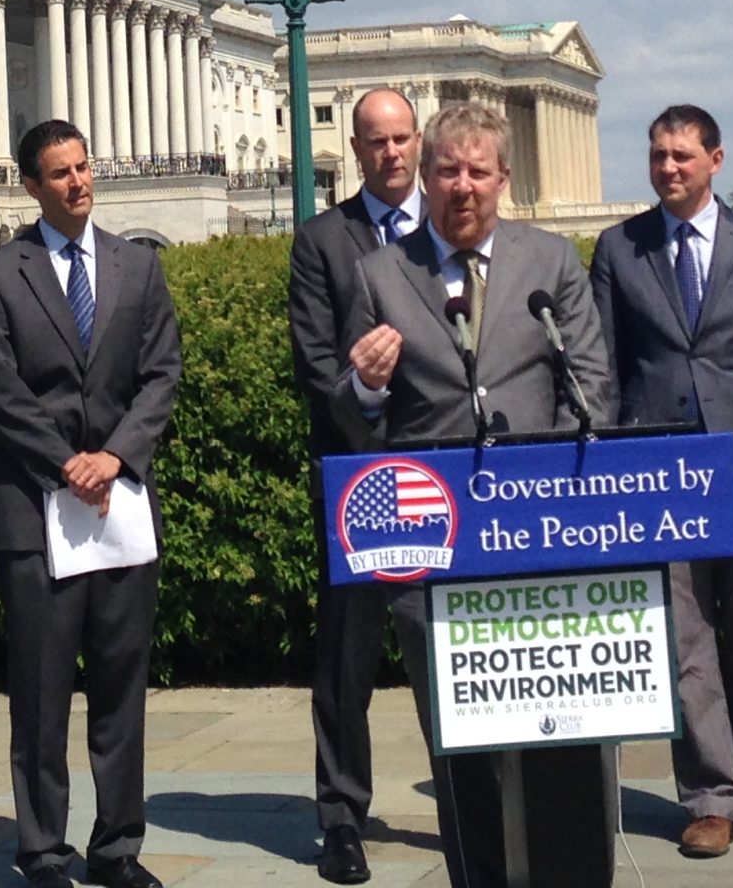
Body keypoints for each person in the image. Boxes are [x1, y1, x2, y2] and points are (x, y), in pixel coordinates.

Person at [335, 102, 616, 888]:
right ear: (425, 178)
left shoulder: (552, 262)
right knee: (460, 746)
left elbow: (588, 385)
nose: (464, 186)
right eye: (448, 171)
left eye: (478, 172)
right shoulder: (382, 273)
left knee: (552, 739)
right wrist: (364, 382)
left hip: (543, 545)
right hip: (436, 553)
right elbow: (356, 413)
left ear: (504, 179)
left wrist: (554, 496)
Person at [590, 105, 733, 860]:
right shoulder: (619, 249)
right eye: (658, 156)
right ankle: (711, 799)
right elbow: (607, 368)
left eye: (682, 156)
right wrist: (621, 461)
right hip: (660, 476)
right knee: (686, 642)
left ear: (716, 159)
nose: (668, 168)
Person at [0, 119, 184, 888]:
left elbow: (161, 375)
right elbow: (1, 393)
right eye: (59, 173)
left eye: (84, 167)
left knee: (122, 689)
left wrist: (115, 456)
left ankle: (118, 847)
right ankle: (43, 850)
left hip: (120, 506)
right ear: (31, 186)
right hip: (38, 510)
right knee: (41, 692)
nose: (78, 182)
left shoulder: (136, 268)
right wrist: (67, 462)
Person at [286, 88, 422, 884]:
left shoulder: (447, 229)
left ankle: (469, 797)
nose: (392, 152)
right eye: (377, 141)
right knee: (347, 656)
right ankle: (341, 816)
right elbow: (315, 361)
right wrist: (364, 392)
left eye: (403, 138)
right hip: (358, 472)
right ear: (357, 147)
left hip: (443, 469)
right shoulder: (321, 240)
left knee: (445, 644)